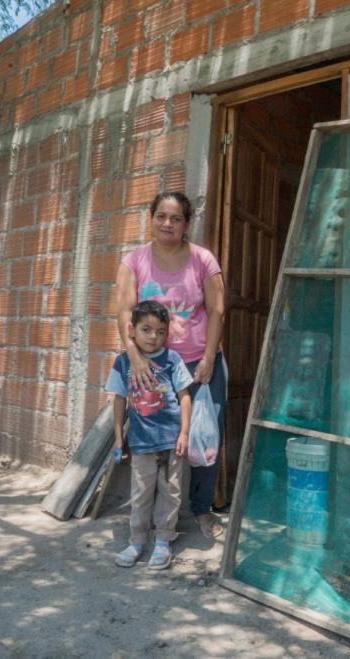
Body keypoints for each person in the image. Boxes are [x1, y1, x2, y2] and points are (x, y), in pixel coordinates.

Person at [115, 191, 228, 539]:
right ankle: (152, 513)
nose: (167, 223)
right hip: (152, 367)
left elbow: (217, 310)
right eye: (161, 216)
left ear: (186, 224)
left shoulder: (203, 260)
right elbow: (123, 311)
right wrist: (133, 355)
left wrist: (209, 358)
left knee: (204, 438)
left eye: (176, 218)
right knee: (154, 439)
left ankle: (202, 509)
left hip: (198, 364)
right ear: (151, 218)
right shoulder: (134, 261)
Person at [107, 300, 194, 569]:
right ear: (132, 330)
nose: (153, 337)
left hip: (170, 440)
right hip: (141, 442)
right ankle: (136, 541)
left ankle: (163, 542)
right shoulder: (123, 363)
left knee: (171, 492)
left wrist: (184, 433)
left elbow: (185, 396)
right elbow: (119, 400)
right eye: (146, 330)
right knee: (141, 493)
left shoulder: (172, 359)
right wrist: (119, 438)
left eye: (160, 332)